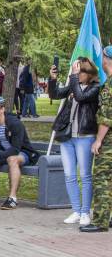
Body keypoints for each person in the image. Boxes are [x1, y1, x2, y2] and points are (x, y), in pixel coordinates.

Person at [49, 58, 100, 225]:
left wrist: (74, 77)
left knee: (85, 175)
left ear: (90, 73)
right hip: (68, 136)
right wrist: (53, 79)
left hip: (85, 137)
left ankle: (85, 212)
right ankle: (76, 210)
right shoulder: (73, 85)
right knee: (69, 175)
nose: (78, 74)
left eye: (81, 71)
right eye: (77, 71)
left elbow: (80, 97)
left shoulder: (95, 88)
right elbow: (54, 94)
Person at [85, 47, 112, 232]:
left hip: (109, 141)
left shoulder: (109, 86)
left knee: (102, 178)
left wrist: (98, 141)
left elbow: (107, 117)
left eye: (102, 56)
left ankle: (100, 221)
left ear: (107, 59)